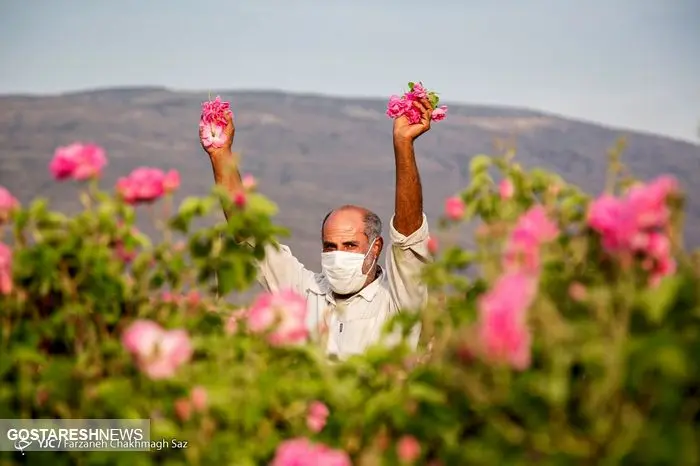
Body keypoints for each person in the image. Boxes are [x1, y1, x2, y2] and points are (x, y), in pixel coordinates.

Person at [201, 97, 434, 360]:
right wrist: (221, 154)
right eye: (330, 246)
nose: (338, 255)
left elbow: (408, 237)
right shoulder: (305, 291)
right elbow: (249, 234)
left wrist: (403, 144)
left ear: (375, 247)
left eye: (350, 246)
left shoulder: (397, 299)